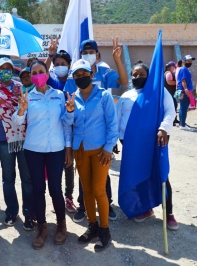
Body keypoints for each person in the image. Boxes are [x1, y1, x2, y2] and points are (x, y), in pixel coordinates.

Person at [64, 38, 127, 223]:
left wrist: (109, 145)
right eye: (85, 51)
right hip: (80, 147)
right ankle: (86, 211)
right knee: (86, 184)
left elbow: (123, 83)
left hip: (100, 145)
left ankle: (105, 215)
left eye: (92, 52)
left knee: (100, 184)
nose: (81, 76)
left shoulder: (104, 81)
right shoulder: (72, 87)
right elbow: (68, 120)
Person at [13, 60, 72, 250]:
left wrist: (70, 113)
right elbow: (16, 121)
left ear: (47, 73)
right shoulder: (27, 97)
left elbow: (66, 122)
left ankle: (61, 225)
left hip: (56, 148)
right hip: (34, 149)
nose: (37, 75)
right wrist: (21, 110)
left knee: (56, 188)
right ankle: (41, 228)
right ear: (30, 76)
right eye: (34, 72)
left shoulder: (59, 95)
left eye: (41, 71)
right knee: (38, 189)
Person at [63, 59, 118, 252]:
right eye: (76, 75)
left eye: (83, 74)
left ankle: (104, 230)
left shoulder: (103, 96)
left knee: (99, 190)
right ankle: (92, 226)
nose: (80, 78)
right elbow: (68, 124)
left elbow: (112, 124)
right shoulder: (73, 98)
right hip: (80, 151)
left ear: (91, 74)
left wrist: (109, 148)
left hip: (100, 151)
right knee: (86, 190)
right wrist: (69, 112)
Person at [116, 62, 178, 230]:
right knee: (138, 175)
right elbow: (117, 118)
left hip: (151, 142)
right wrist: (115, 139)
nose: (137, 77)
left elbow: (170, 112)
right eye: (134, 75)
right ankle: (145, 208)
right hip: (129, 142)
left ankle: (169, 213)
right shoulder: (126, 96)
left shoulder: (158, 93)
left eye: (141, 74)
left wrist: (163, 128)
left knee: (160, 174)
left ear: (149, 76)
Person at [0, 57, 35, 230]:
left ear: (13, 71)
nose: (5, 70)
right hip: (3, 140)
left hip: (23, 138)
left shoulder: (19, 87)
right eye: (2, 68)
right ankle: (12, 211)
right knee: (8, 178)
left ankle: (29, 213)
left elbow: (27, 110)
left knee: (27, 177)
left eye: (8, 68)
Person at [44, 40, 77, 213]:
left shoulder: (75, 81)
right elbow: (43, 71)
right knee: (60, 165)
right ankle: (60, 197)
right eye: (56, 64)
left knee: (71, 165)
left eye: (63, 64)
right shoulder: (54, 82)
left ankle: (72, 197)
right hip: (57, 130)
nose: (59, 66)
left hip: (75, 129)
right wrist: (50, 55)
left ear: (69, 65)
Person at [177, 55, 195, 130]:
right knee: (184, 108)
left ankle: (182, 123)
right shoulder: (184, 69)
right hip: (184, 91)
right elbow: (183, 80)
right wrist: (186, 90)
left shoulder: (184, 69)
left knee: (182, 107)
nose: (190, 62)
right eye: (188, 61)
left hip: (182, 90)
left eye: (191, 61)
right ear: (184, 61)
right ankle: (183, 125)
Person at [164, 61, 180, 125]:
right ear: (171, 67)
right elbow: (169, 82)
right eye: (173, 66)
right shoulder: (169, 73)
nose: (174, 68)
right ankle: (172, 120)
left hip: (170, 92)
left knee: (175, 105)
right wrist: (177, 83)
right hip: (170, 92)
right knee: (173, 106)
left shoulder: (166, 73)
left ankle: (174, 119)